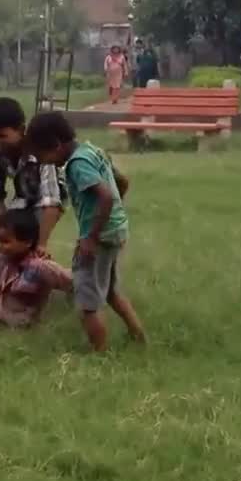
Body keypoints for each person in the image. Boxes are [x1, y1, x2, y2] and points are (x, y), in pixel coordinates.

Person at [24, 112, 146, 352]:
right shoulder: (93, 150)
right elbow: (121, 182)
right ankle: (139, 337)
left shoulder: (77, 165)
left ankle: (99, 353)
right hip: (116, 231)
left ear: (57, 145)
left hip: (98, 238)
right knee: (111, 291)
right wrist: (113, 216)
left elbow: (106, 196)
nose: (45, 163)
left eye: (44, 156)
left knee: (87, 302)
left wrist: (91, 237)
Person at [0, 210, 71, 328]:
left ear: (28, 242)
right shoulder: (2, 256)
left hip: (3, 324)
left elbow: (73, 280)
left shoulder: (40, 267)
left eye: (5, 241)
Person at [0, 97, 66, 254]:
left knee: (32, 249)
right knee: (12, 244)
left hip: (53, 196)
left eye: (1, 136)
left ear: (21, 130)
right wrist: (5, 231)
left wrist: (41, 245)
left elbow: (52, 201)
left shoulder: (40, 148)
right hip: (24, 196)